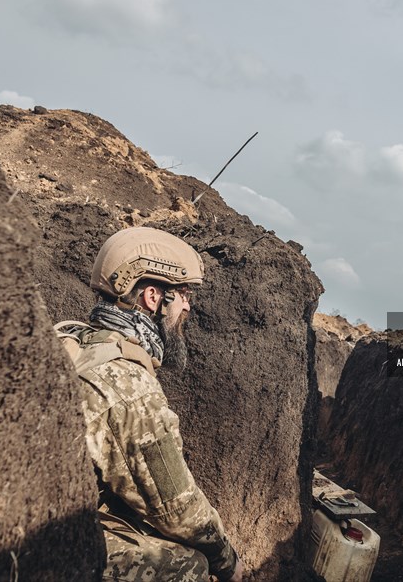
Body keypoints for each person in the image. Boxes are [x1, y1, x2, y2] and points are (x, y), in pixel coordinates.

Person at [57, 226, 244, 582]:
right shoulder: (128, 383)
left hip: (38, 515)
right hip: (43, 546)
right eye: (184, 294)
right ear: (153, 297)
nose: (188, 306)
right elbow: (177, 507)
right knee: (192, 567)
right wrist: (228, 560)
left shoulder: (72, 337)